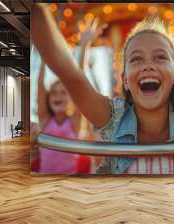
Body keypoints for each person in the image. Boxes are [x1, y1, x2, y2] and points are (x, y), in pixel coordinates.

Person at [31, 3, 174, 174]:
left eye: (160, 57)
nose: (147, 65)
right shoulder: (112, 117)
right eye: (136, 59)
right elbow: (70, 73)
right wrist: (37, 8)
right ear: (124, 80)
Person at [34, 18, 107, 174]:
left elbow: (78, 82)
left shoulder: (75, 122)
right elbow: (40, 86)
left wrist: (84, 45)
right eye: (54, 92)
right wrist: (44, 56)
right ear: (48, 99)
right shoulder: (45, 120)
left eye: (63, 92)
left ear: (71, 100)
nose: (58, 96)